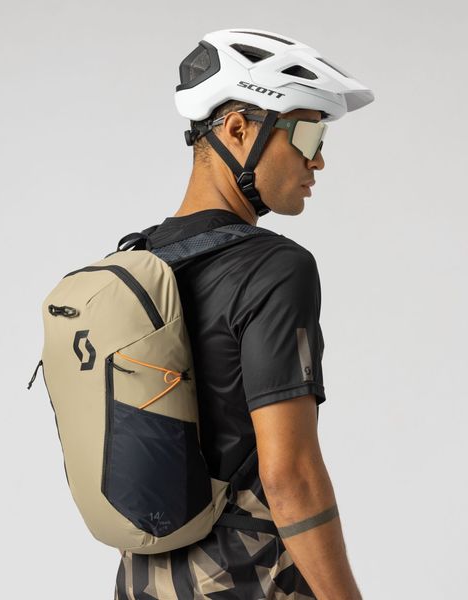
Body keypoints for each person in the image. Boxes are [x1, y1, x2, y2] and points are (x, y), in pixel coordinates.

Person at [114, 28, 373, 599]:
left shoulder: (138, 263)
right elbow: (291, 477)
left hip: (143, 580)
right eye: (308, 134)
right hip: (247, 580)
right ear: (237, 128)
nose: (318, 159)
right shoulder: (275, 268)